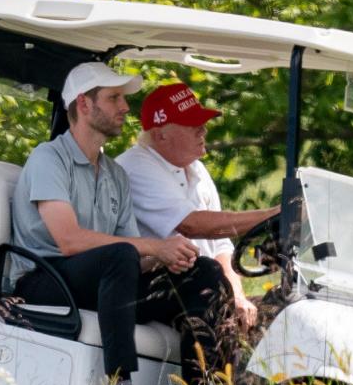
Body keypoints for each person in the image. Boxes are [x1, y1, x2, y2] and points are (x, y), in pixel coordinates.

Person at [10, 62, 237, 385]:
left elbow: (137, 257)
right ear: (84, 105)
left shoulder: (114, 173)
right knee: (120, 256)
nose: (126, 108)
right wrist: (152, 246)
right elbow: (69, 241)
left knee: (204, 272)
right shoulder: (48, 159)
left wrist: (168, 260)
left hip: (102, 281)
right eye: (114, 98)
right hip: (44, 279)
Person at [117, 82, 280, 330]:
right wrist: (273, 215)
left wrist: (237, 294)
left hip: (202, 283)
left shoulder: (196, 168)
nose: (203, 129)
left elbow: (220, 245)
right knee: (202, 275)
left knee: (284, 304)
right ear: (161, 134)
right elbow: (192, 225)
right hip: (145, 287)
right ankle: (203, 371)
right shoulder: (135, 166)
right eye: (193, 124)